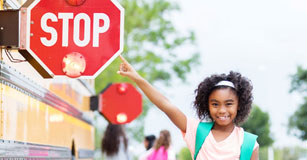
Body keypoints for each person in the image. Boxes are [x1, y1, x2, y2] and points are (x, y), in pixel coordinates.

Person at [117, 55, 259, 160]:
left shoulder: (249, 143)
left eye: (228, 104)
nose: (222, 110)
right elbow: (167, 105)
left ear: (239, 105)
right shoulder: (198, 131)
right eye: (215, 104)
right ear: (207, 105)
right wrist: (137, 78)